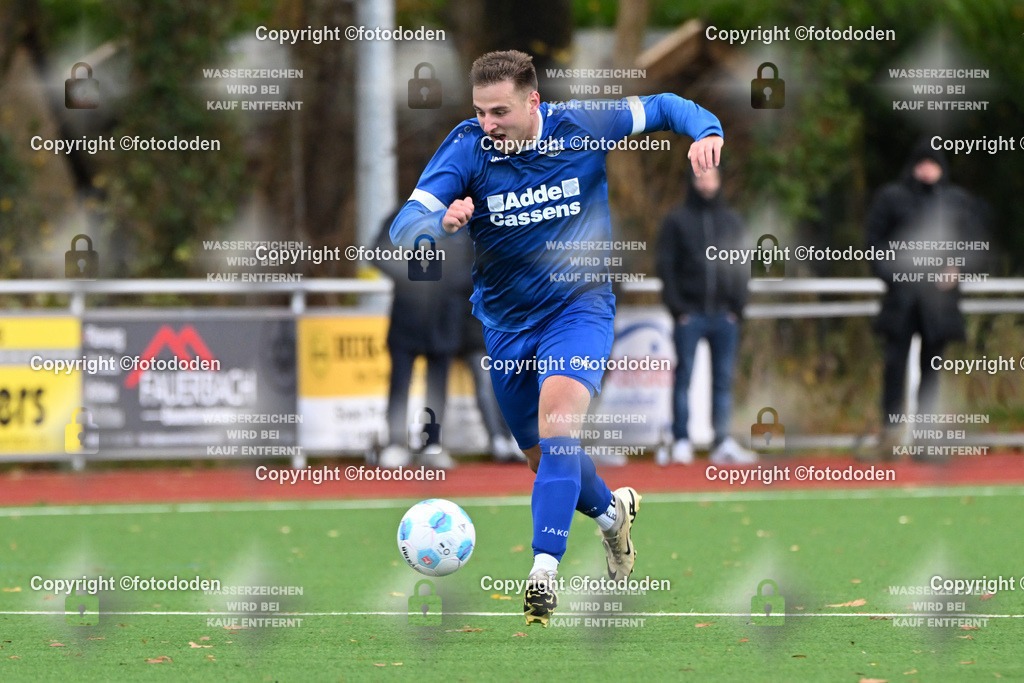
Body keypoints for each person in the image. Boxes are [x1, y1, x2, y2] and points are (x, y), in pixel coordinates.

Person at [389, 50, 724, 626]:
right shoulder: (467, 147)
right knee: (542, 457)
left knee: (560, 426)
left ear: (533, 102)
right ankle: (612, 515)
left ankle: (543, 571)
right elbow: (402, 229)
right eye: (480, 111)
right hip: (505, 326)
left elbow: (666, 106)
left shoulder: (584, 125)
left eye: (500, 112)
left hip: (579, 308)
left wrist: (706, 131)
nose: (488, 123)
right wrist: (437, 225)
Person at [864, 140, 989, 460]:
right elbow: (874, 244)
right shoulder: (892, 198)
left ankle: (925, 440)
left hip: (939, 305)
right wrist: (897, 273)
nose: (927, 170)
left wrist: (957, 267)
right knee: (894, 368)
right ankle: (890, 439)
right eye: (922, 163)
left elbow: (973, 243)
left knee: (932, 372)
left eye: (933, 164)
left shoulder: (955, 201)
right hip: (901, 302)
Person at [656, 165, 756, 466]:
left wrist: (737, 308)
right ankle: (681, 440)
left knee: (723, 380)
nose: (706, 182)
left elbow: (743, 264)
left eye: (711, 176)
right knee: (683, 378)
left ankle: (722, 441)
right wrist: (678, 309)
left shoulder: (732, 221)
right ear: (692, 180)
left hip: (725, 316)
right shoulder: (676, 221)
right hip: (690, 315)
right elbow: (666, 266)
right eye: (701, 176)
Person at [372, 209, 459, 470]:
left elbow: (474, 262)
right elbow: (379, 253)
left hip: (444, 317)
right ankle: (396, 443)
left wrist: (444, 281)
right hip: (406, 316)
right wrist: (414, 277)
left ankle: (432, 443)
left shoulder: (462, 219)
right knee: (400, 383)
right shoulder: (403, 215)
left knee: (438, 386)